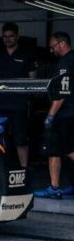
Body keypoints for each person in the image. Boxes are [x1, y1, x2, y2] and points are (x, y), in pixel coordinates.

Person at [0, 23, 36, 167]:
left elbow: (33, 79)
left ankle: (24, 169)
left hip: (18, 104)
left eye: (11, 36)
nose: (8, 39)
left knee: (21, 139)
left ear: (17, 36)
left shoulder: (26, 54)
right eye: (5, 36)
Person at [35, 32, 74, 199]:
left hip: (65, 114)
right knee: (64, 150)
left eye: (53, 46)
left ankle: (54, 187)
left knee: (58, 150)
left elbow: (62, 93)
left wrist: (50, 115)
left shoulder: (66, 62)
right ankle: (63, 186)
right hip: (71, 113)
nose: (52, 50)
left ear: (62, 43)